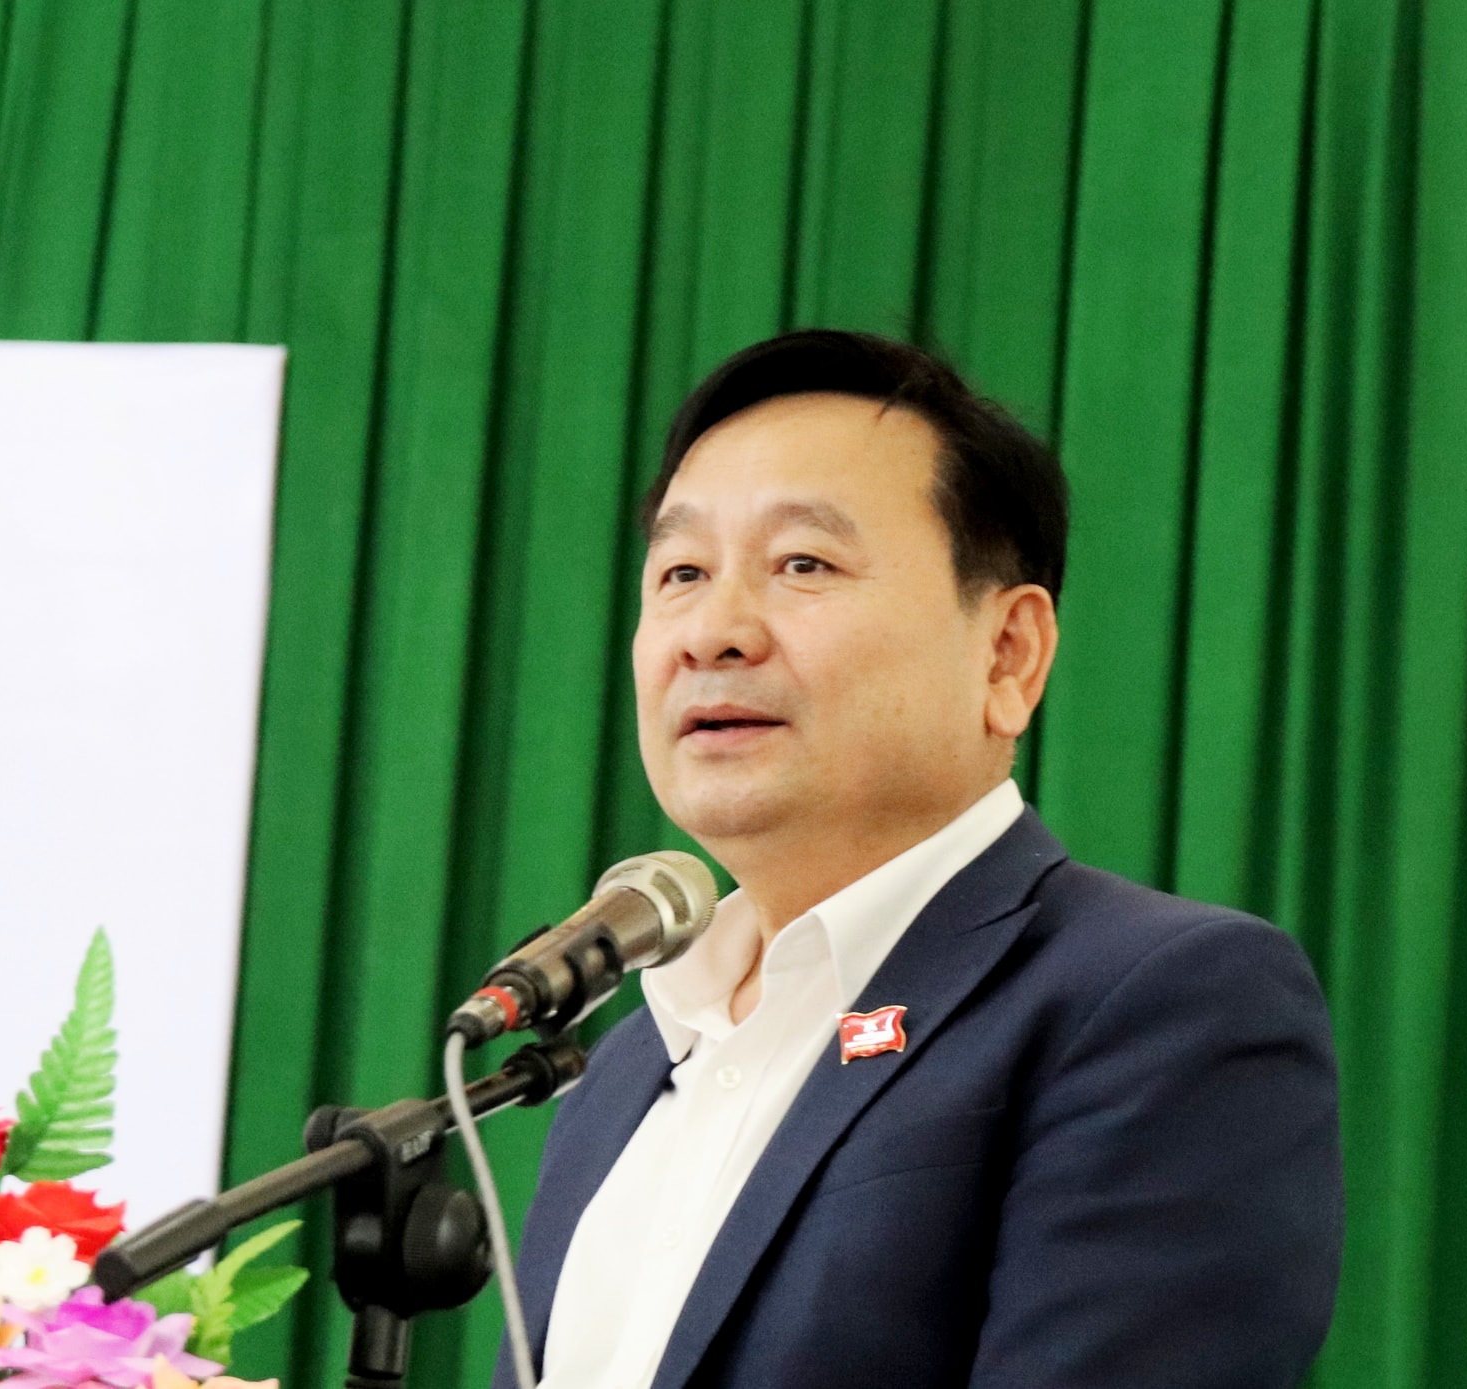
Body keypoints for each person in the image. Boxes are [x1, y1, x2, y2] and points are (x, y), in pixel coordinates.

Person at [494, 330, 1343, 1389]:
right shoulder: (625, 1069)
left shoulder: (1156, 1003)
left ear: (1008, 654)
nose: (712, 632)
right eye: (681, 572)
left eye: (804, 564)